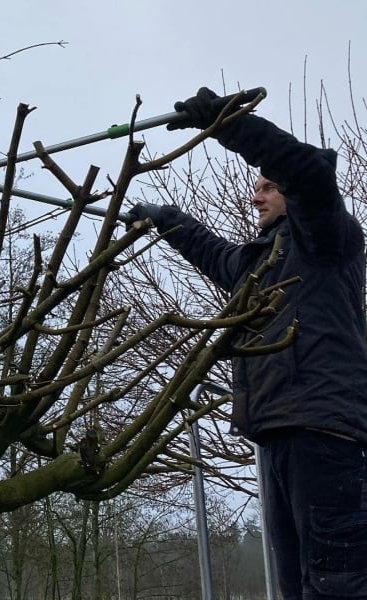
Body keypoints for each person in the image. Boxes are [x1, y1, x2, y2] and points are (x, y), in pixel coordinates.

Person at [128, 87, 367, 599]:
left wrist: (227, 124)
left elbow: (309, 174)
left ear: (292, 194)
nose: (255, 196)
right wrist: (163, 217)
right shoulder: (258, 263)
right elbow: (209, 250)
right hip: (278, 432)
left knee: (337, 582)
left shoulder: (325, 238)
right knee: (296, 585)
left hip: (324, 429)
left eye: (268, 186)